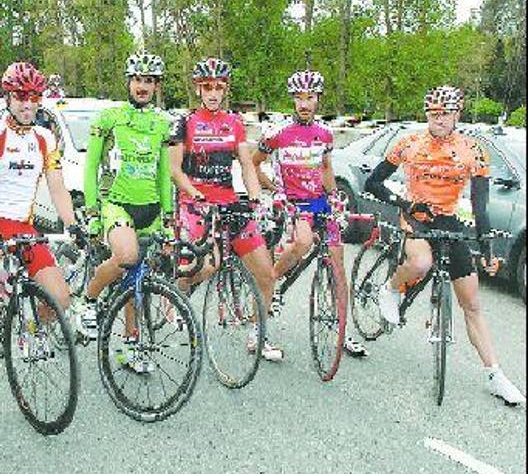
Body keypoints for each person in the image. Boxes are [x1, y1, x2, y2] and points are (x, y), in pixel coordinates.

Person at [366, 85, 525, 405]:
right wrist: (401, 202)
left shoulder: (473, 150)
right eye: (434, 113)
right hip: (416, 216)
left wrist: (488, 248)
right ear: (427, 114)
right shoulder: (409, 143)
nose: (439, 119)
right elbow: (373, 182)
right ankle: (390, 289)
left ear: (457, 115)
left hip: (450, 221)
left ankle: (495, 374)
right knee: (421, 263)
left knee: (473, 303)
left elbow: (480, 206)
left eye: (446, 113)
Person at [0, 61, 84, 436]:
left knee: (60, 297)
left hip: (24, 227)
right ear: (8, 96)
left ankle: (24, 320)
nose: (28, 104)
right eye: (21, 96)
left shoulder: (45, 139)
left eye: (34, 97)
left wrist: (73, 224)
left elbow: (58, 187)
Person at [168, 57, 279, 361]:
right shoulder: (185, 122)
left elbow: (246, 165)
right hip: (195, 202)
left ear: (225, 89)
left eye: (219, 87)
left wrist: (256, 199)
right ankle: (177, 293)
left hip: (228, 201)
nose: (213, 93)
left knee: (266, 274)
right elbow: (175, 170)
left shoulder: (234, 122)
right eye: (207, 87)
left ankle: (258, 334)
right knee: (208, 265)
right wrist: (195, 194)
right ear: (198, 89)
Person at [253, 69, 368, 358]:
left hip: (319, 202)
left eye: (311, 98)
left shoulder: (324, 133)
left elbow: (326, 169)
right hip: (293, 203)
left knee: (338, 264)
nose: (305, 104)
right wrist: (274, 189)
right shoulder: (278, 133)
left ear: (318, 99)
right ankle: (273, 281)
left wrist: (333, 198)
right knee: (303, 242)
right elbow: (254, 164)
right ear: (293, 100)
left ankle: (341, 328)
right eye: (300, 98)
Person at [71, 51, 173, 345]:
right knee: (127, 257)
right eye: (137, 79)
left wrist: (167, 217)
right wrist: (91, 213)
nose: (142, 86)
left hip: (150, 207)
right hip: (116, 204)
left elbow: (164, 174)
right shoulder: (109, 117)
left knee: (137, 278)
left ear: (156, 86)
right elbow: (91, 166)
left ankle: (130, 343)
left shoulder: (161, 123)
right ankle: (87, 300)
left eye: (149, 81)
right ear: (128, 82)